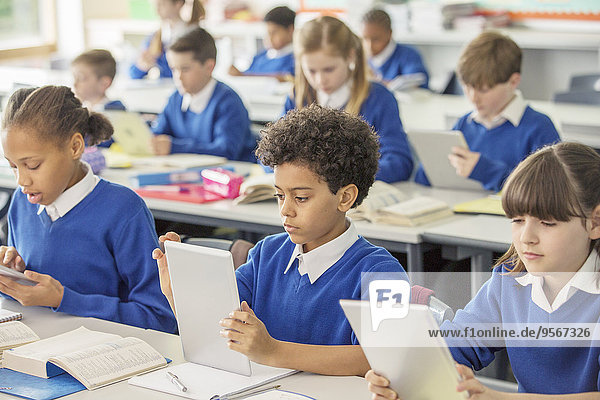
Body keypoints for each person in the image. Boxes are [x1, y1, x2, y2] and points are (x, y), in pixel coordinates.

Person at [153, 104, 408, 375]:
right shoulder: (266, 254)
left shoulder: (381, 272)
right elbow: (222, 330)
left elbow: (381, 358)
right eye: (279, 195)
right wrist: (177, 295)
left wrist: (274, 351)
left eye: (301, 198)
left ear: (345, 197)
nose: (285, 209)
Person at [367, 141, 600, 398]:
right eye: (518, 220)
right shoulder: (510, 280)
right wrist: (401, 373)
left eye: (547, 223)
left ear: (594, 223)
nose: (526, 237)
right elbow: (456, 345)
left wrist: (497, 397)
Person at [0, 86, 177, 334]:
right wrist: (9, 276)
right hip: (35, 346)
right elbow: (28, 298)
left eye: (32, 165)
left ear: (74, 147)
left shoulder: (123, 210)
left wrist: (64, 299)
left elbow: (161, 318)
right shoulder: (23, 201)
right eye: (13, 167)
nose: (22, 181)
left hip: (106, 355)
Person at [415, 31, 560, 192]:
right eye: (467, 87)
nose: (473, 98)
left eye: (483, 90)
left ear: (513, 81)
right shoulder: (465, 124)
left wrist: (486, 171)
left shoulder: (538, 127)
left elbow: (548, 192)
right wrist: (431, 164)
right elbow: (423, 179)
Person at [284, 16, 413, 183]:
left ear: (350, 57)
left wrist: (339, 179)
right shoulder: (298, 96)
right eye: (312, 71)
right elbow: (272, 152)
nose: (320, 80)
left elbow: (399, 162)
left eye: (329, 69)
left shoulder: (379, 98)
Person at [151, 27, 256, 161]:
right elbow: (158, 134)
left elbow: (226, 151)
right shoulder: (176, 99)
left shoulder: (229, 102)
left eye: (185, 69)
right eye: (173, 69)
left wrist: (174, 147)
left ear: (209, 67)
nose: (178, 77)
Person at [129, 0, 204, 80]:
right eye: (155, 5)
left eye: (161, 4)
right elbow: (133, 74)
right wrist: (142, 66)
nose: (157, 9)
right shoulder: (156, 37)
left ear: (178, 3)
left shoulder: (195, 36)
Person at [361, 8, 429, 89]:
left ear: (389, 34)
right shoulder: (361, 58)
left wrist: (377, 83)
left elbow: (416, 83)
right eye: (365, 38)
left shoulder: (408, 55)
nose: (369, 46)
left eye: (376, 39)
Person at [229, 6, 295, 79]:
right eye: (268, 33)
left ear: (290, 30)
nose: (269, 38)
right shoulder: (260, 57)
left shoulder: (295, 59)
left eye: (274, 32)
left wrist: (243, 76)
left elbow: (286, 79)